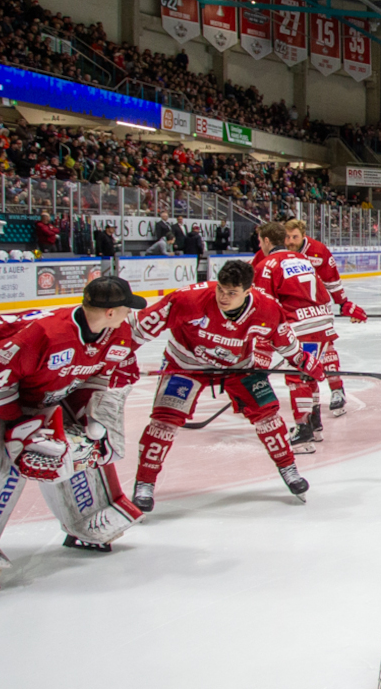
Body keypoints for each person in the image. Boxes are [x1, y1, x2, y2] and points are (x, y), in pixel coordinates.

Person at [0, 279, 147, 588]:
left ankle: (88, 518)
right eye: (125, 308)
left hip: (27, 383)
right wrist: (17, 424)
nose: (130, 314)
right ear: (109, 312)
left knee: (76, 445)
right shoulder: (45, 335)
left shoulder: (116, 333)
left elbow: (92, 375)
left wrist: (85, 418)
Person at [130, 260, 322, 511]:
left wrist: (305, 362)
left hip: (237, 367)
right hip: (185, 364)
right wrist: (118, 358)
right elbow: (139, 329)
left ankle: (288, 469)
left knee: (268, 416)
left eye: (232, 293)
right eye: (221, 289)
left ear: (247, 291)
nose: (223, 296)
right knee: (164, 422)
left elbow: (286, 343)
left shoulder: (267, 308)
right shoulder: (187, 299)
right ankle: (144, 483)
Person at [255, 222, 359, 448]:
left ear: (266, 241)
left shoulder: (267, 265)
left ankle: (303, 432)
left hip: (302, 328)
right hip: (322, 323)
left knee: (297, 377)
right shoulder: (302, 260)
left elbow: (263, 307)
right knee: (307, 373)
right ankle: (315, 426)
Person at [284, 218, 364, 414]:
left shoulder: (318, 250)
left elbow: (332, 280)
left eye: (294, 237)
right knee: (298, 352)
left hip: (317, 308)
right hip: (291, 310)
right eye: (287, 237)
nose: (290, 241)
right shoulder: (279, 250)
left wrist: (343, 303)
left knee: (326, 345)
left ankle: (337, 390)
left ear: (304, 235)